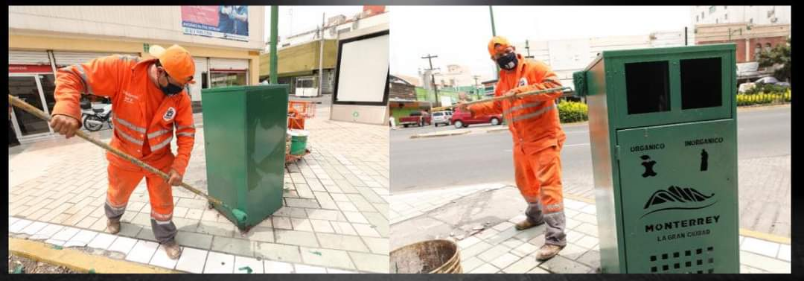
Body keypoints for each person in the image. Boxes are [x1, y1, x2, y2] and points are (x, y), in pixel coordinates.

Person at [49, 45, 197, 260]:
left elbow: (186, 133)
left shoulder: (180, 98)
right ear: (161, 71)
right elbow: (70, 75)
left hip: (159, 160)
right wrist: (67, 107)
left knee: (163, 203)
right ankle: (113, 217)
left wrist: (179, 166)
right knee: (117, 195)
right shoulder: (123, 70)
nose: (180, 90)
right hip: (124, 155)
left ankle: (166, 238)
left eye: (184, 85)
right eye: (177, 84)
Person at [457, 36, 567, 261]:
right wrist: (472, 109)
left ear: (514, 49)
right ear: (493, 59)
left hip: (544, 139)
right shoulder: (503, 80)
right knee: (526, 184)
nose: (504, 56)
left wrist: (525, 91)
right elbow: (498, 104)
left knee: (549, 187)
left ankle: (556, 238)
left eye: (507, 51)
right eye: (498, 55)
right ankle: (535, 216)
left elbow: (556, 87)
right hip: (521, 143)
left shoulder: (535, 68)